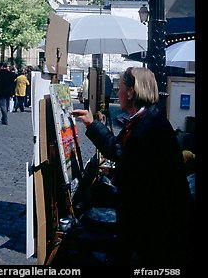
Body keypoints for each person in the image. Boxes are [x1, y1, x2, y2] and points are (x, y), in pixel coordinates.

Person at [72, 67, 194, 267]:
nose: (117, 93)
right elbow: (118, 149)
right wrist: (91, 124)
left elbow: (144, 180)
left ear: (130, 92)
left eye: (120, 87)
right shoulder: (144, 120)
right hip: (150, 223)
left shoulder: (151, 126)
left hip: (156, 228)